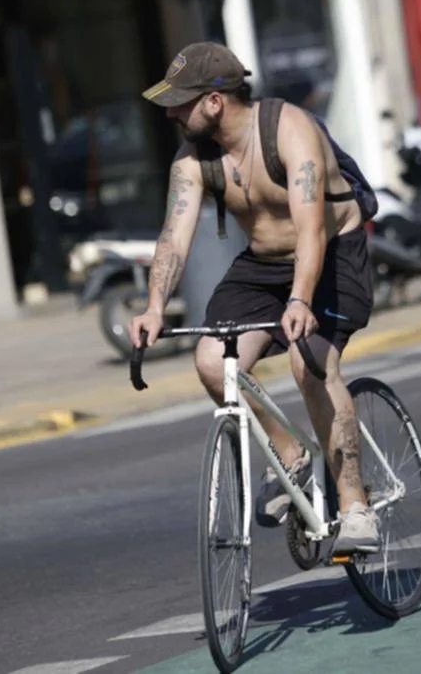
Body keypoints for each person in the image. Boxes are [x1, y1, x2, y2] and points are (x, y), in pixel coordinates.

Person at [129, 42, 379, 553]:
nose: (172, 113)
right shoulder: (193, 160)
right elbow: (173, 238)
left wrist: (300, 300)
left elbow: (311, 229)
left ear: (215, 101)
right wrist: (155, 306)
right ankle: (293, 457)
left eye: (181, 102)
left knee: (309, 364)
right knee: (210, 361)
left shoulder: (290, 131)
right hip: (264, 265)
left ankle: (356, 509)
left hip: (332, 255)